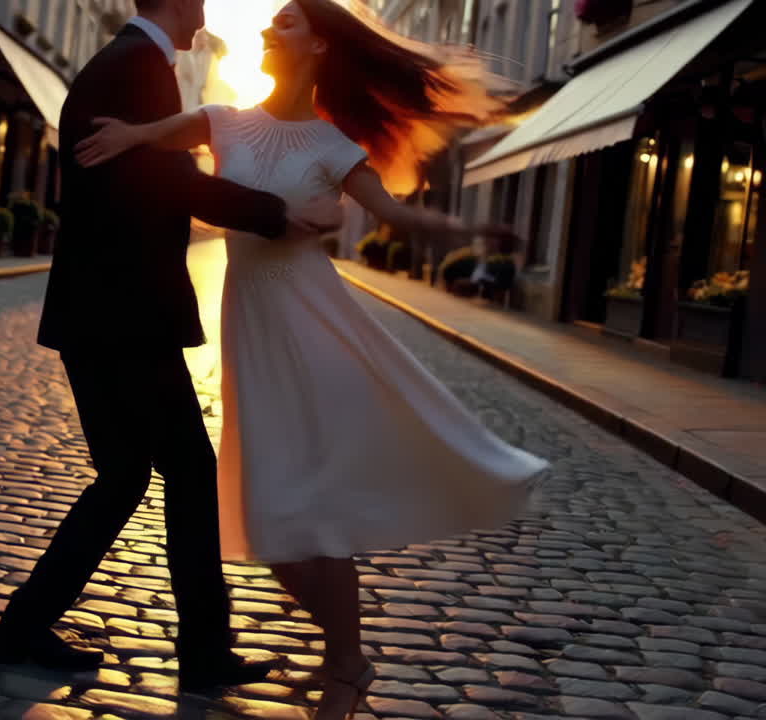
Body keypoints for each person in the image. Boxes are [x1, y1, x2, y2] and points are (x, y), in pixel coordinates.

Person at [72, 0, 549, 716]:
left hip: (312, 326)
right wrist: (123, 136)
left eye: (287, 21)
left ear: (320, 46)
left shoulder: (334, 148)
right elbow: (157, 141)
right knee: (272, 520)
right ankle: (349, 658)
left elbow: (402, 217)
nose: (269, 28)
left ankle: (344, 667)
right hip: (253, 333)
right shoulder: (224, 119)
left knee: (312, 508)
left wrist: (474, 228)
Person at [0, 0, 349, 696]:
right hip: (126, 314)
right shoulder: (136, 67)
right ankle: (203, 653)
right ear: (181, 3)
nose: (207, 12)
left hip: (103, 312)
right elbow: (168, 179)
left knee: (125, 476)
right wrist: (278, 213)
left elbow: (155, 176)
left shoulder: (127, 64)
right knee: (188, 471)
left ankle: (26, 627)